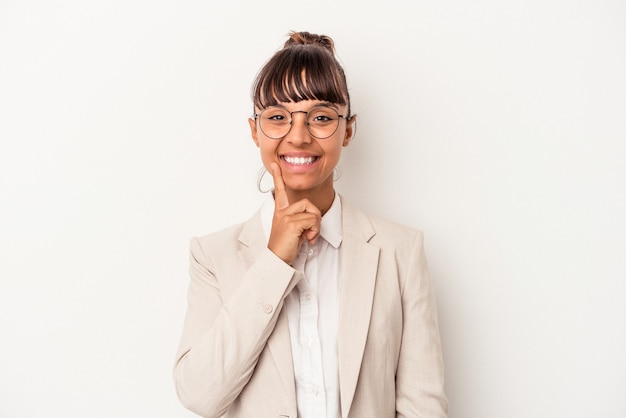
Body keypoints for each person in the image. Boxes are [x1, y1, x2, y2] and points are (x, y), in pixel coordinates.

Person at [173, 31, 448, 418]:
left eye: (320, 117)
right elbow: (199, 394)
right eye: (278, 118)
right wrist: (275, 260)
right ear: (255, 131)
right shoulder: (212, 256)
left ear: (348, 129)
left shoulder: (400, 251)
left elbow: (424, 408)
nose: (298, 137)